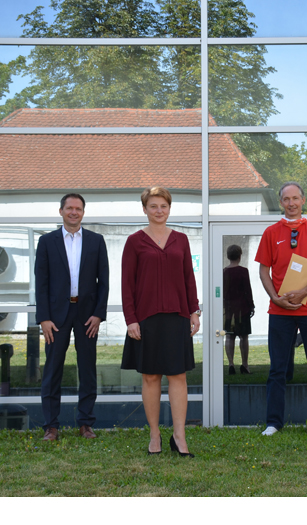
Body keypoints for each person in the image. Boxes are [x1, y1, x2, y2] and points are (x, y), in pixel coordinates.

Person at [121, 187, 200, 456]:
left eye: (163, 206)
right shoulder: (134, 241)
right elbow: (127, 284)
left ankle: (179, 436)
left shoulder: (181, 240)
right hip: (146, 319)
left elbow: (189, 278)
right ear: (144, 209)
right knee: (151, 377)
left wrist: (194, 311)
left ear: (169, 208)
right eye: (153, 206)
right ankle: (154, 435)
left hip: (177, 317)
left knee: (178, 376)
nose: (158, 210)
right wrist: (131, 319)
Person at [255, 182, 307, 436]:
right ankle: (273, 423)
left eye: (295, 198)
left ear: (303, 200)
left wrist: (303, 292)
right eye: (286, 199)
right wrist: (275, 298)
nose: (291, 203)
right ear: (281, 203)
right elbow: (263, 271)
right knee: (277, 369)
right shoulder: (270, 232)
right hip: (279, 311)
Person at [35, 193, 109, 441]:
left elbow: (104, 282)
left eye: (78, 208)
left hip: (87, 315)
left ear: (83, 212)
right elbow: (41, 283)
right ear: (61, 211)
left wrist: (99, 313)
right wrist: (43, 317)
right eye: (69, 208)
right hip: (56, 317)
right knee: (52, 370)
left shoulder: (96, 241)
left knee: (87, 369)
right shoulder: (47, 242)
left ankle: (86, 424)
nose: (74, 212)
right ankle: (51, 426)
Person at [223, 244, 255, 375]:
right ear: (240, 256)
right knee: (244, 337)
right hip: (243, 308)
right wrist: (251, 305)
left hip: (229, 308)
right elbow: (248, 290)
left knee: (229, 337)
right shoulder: (243, 271)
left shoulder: (224, 271)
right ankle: (245, 365)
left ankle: (231, 364)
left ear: (228, 256)